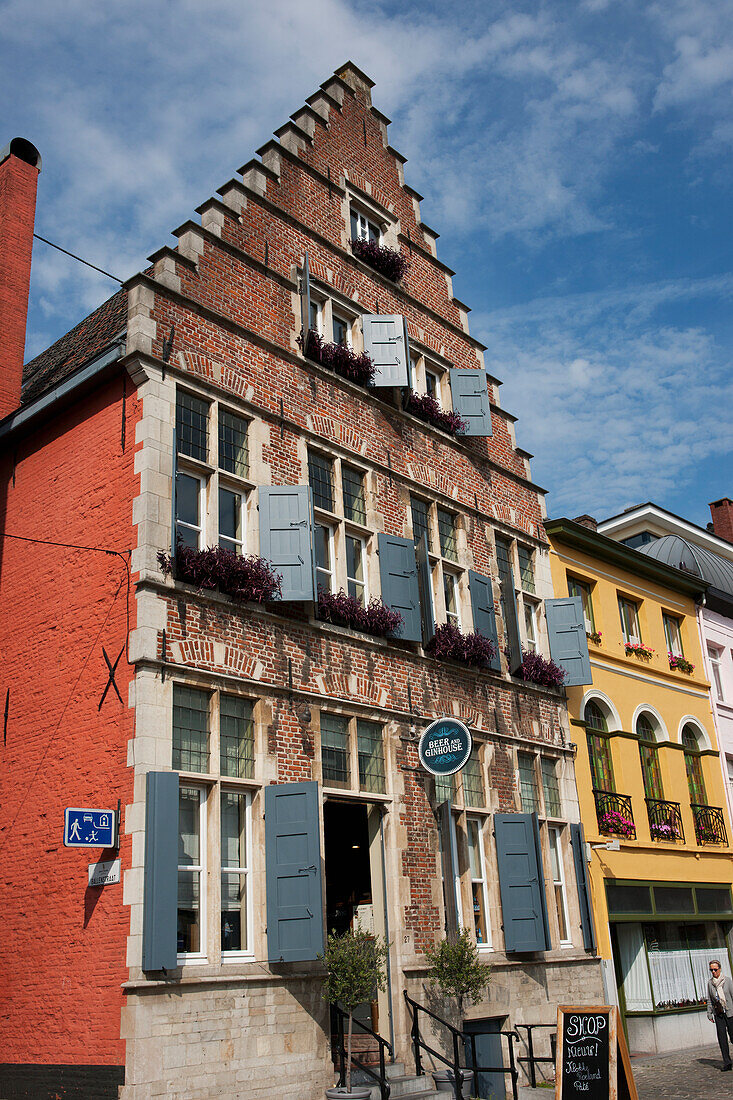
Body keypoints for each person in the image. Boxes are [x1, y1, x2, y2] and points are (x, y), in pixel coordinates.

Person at [707, 960, 733, 1070]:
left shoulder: (727, 981)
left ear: (720, 969)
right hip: (719, 1014)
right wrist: (709, 1013)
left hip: (730, 1012)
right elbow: (710, 999)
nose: (713, 972)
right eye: (711, 970)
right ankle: (727, 1062)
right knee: (722, 1038)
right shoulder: (710, 983)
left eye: (715, 969)